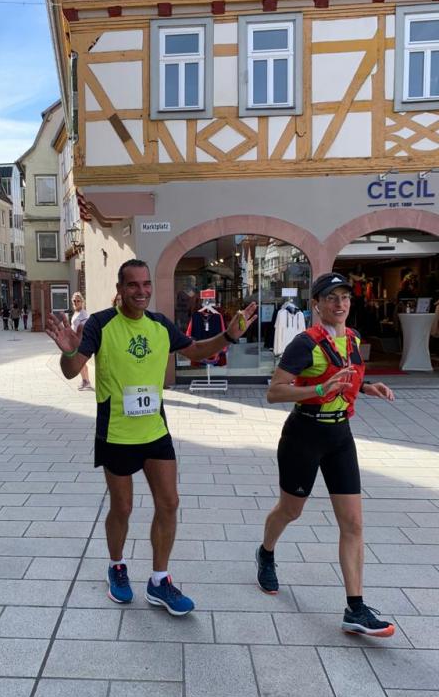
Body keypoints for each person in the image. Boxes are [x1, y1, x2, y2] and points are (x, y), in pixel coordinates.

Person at [46, 259, 256, 616]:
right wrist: (68, 351)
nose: (141, 291)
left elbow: (195, 350)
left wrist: (229, 336)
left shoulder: (160, 324)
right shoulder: (101, 323)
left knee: (169, 502)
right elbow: (71, 371)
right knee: (123, 507)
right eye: (133, 285)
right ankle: (116, 566)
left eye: (146, 284)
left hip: (155, 431)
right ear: (120, 289)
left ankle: (159, 581)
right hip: (116, 433)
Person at [256, 272, 396, 638]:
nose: (340, 303)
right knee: (291, 510)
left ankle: (356, 608)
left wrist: (366, 387)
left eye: (344, 297)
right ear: (316, 305)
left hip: (340, 436)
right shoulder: (304, 343)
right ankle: (266, 552)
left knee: (353, 523)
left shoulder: (353, 338)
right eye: (331, 297)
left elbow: (344, 376)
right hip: (303, 435)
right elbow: (274, 392)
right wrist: (319, 389)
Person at [70, 292, 92, 390]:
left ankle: (85, 381)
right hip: (75, 341)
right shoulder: (76, 312)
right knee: (81, 363)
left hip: (80, 341)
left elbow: (84, 329)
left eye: (78, 301)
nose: (76, 302)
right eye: (74, 301)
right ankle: (86, 381)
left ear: (82, 302)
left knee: (79, 363)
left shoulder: (83, 314)